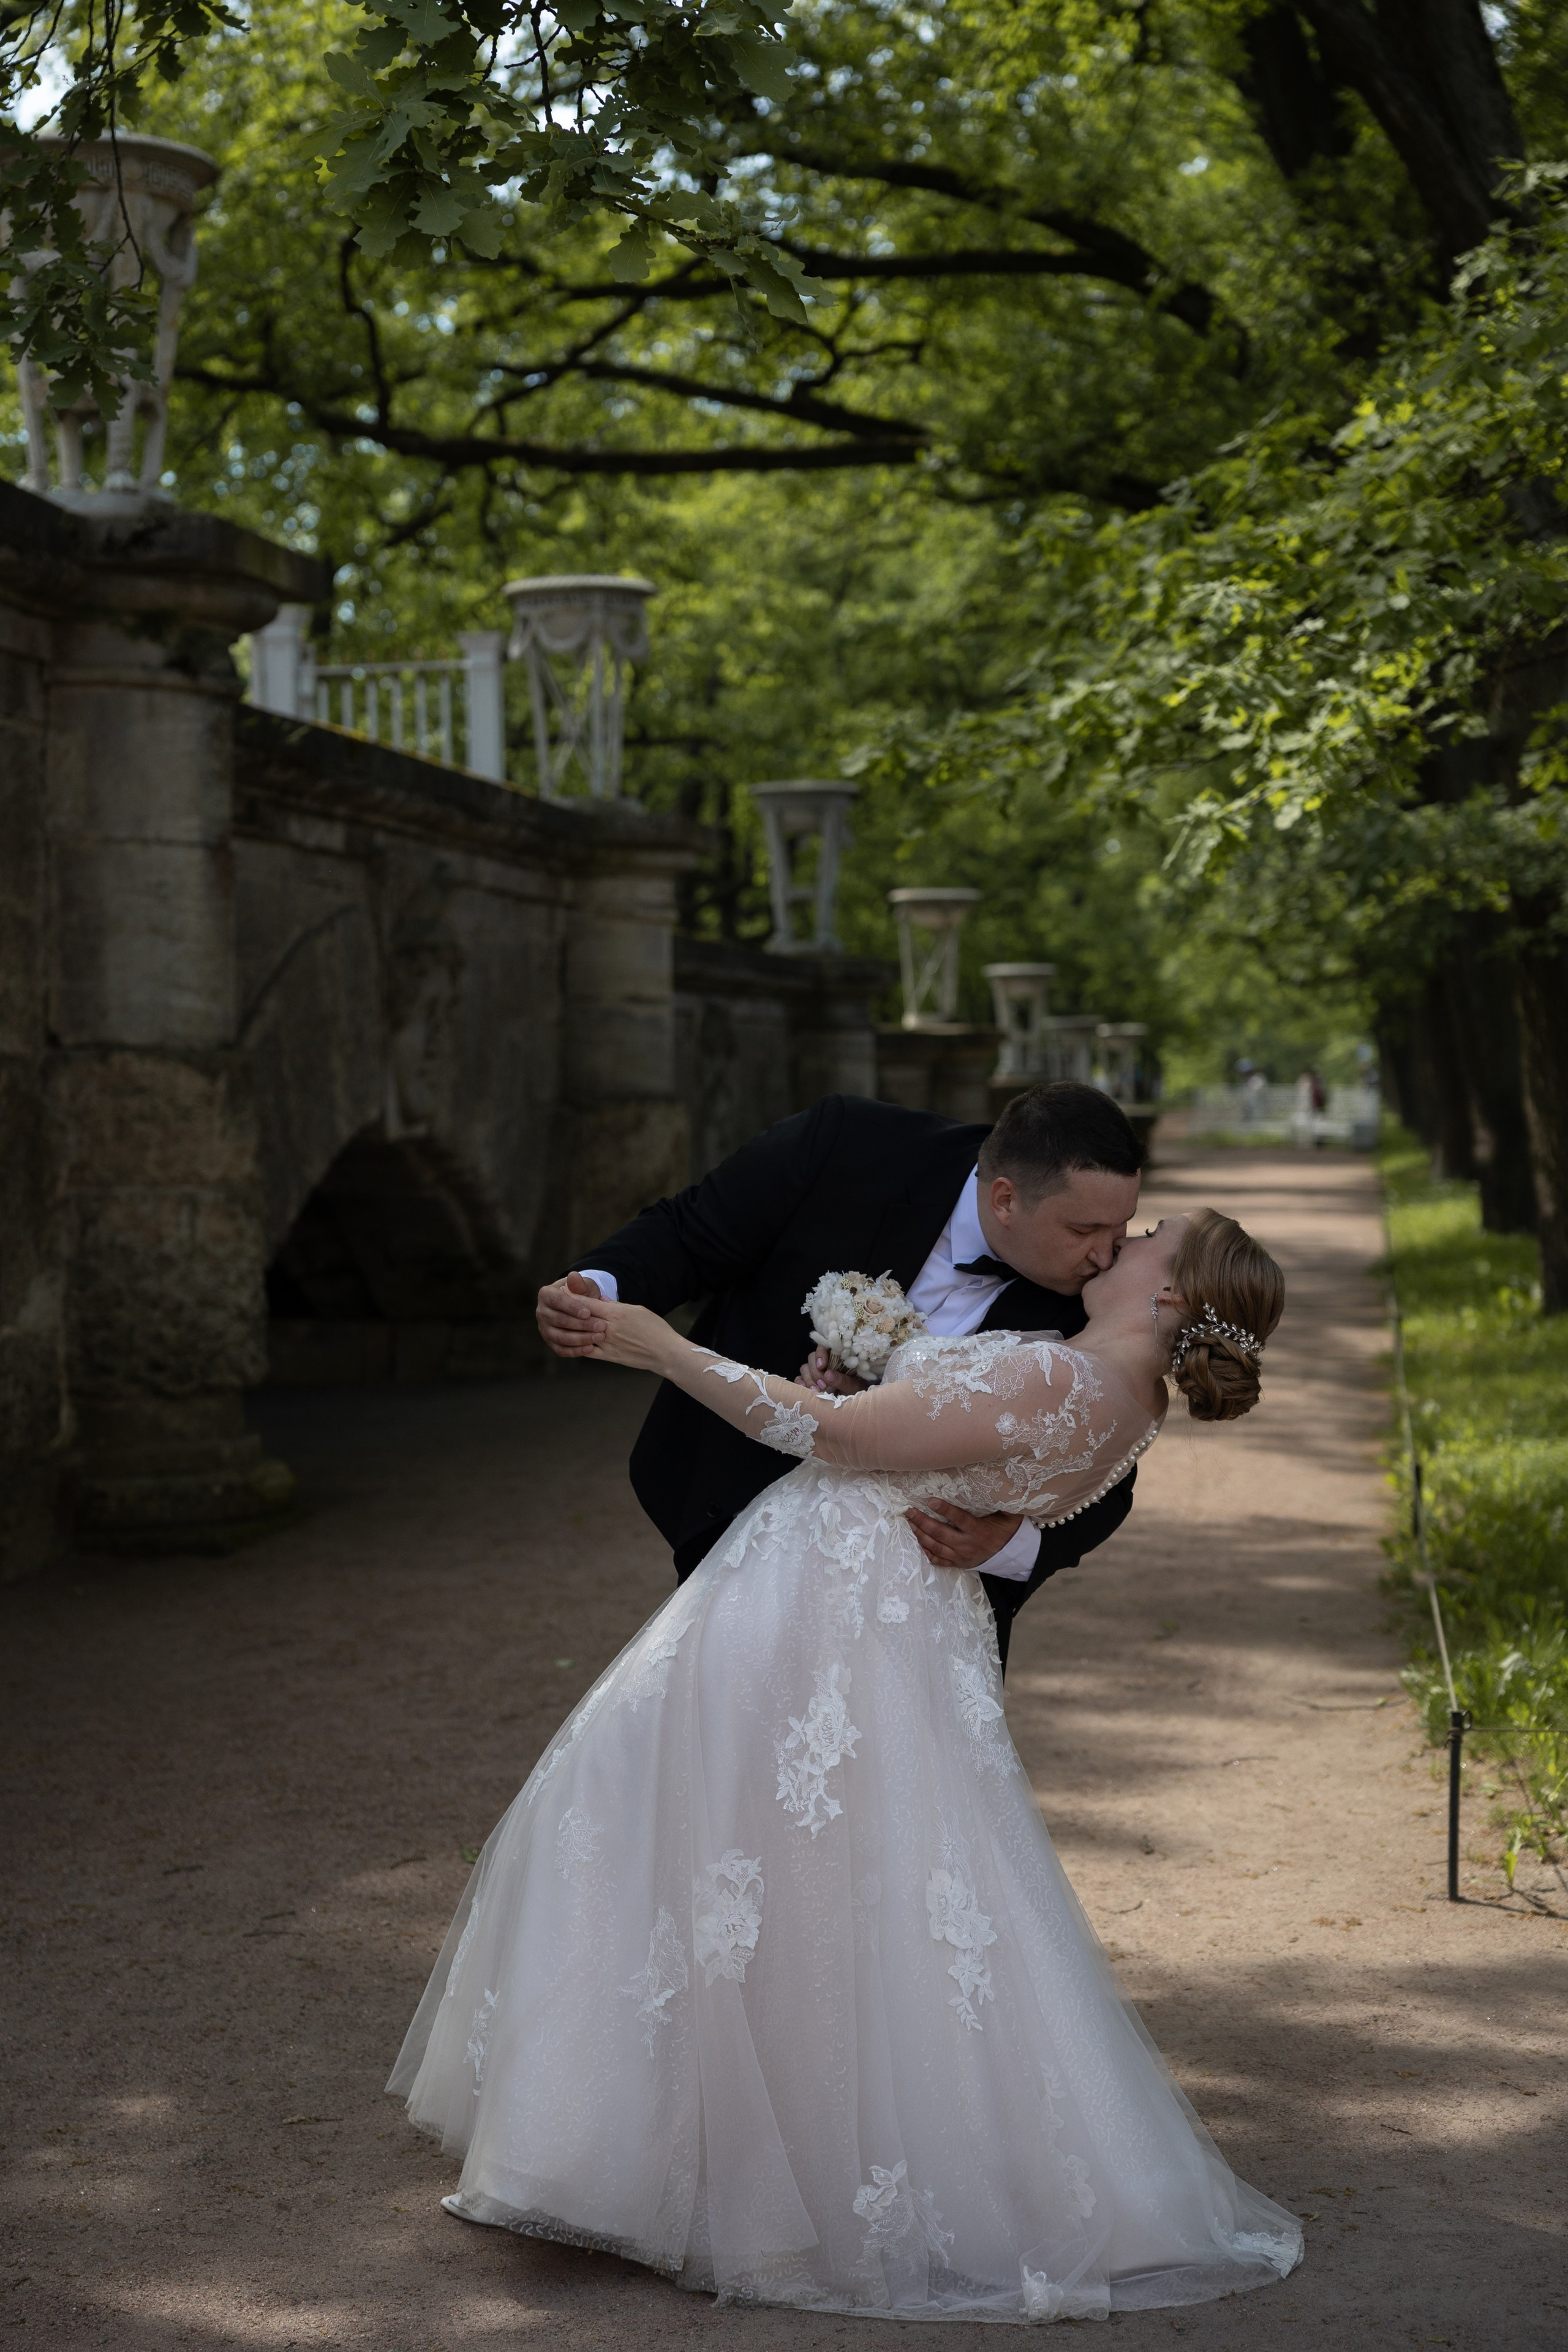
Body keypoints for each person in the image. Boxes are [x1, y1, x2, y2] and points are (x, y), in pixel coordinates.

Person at [390, 1207, 1303, 2321]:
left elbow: (840, 1439)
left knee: (674, 1827)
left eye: (1157, 1234)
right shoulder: (1125, 1400)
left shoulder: (1066, 1381)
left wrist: (664, 1349)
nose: (1134, 1232)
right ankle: (654, 2154)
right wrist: (875, 1377)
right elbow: (923, 1441)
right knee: (796, 1877)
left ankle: (651, 2166)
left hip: (822, 1612)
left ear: (1170, 1297)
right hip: (882, 1620)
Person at [535, 1083, 1144, 1673]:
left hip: (925, 1601)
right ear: (1005, 1199)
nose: (1106, 1255)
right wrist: (597, 1292)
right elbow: (692, 1234)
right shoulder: (847, 1143)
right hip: (738, 1503)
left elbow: (1107, 1468)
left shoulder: (1096, 1301)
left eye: (1120, 1229)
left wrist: (1008, 1545)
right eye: (1084, 1231)